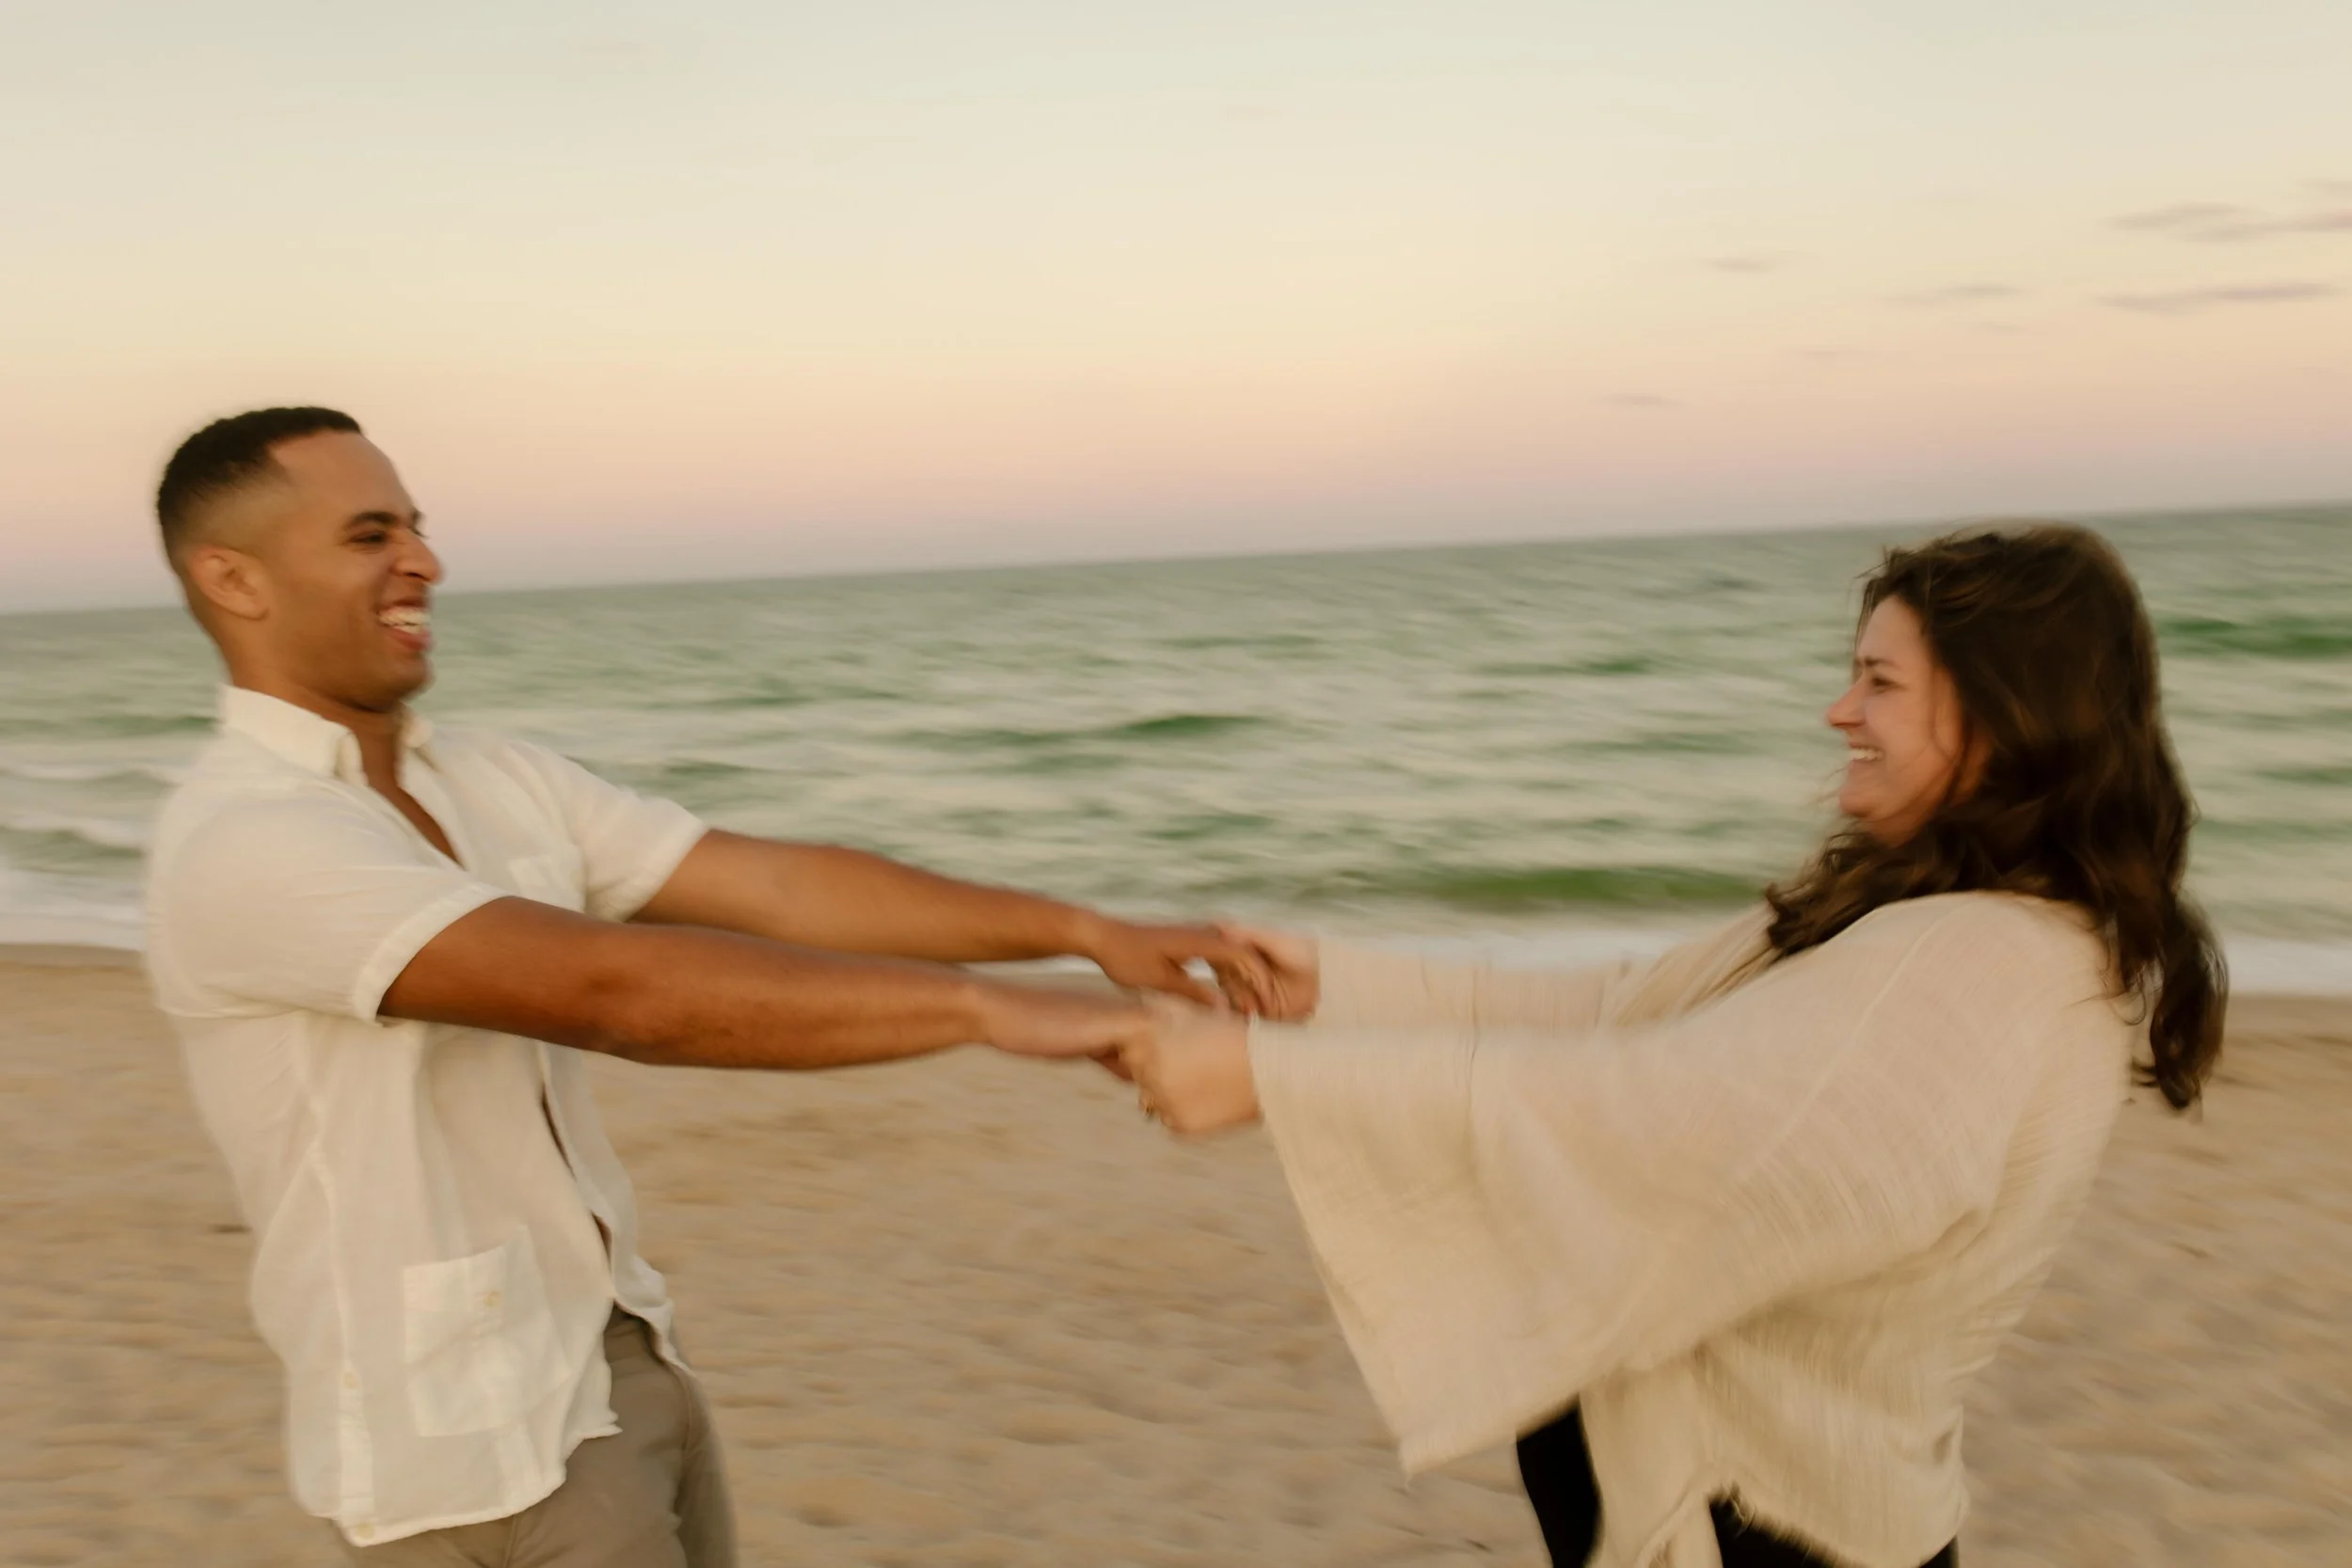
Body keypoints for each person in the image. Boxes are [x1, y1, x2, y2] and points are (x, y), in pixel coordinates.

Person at [140, 406, 1267, 1566]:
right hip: (473, 1447)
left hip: (621, 1357)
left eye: (417, 528)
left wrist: (1083, 931)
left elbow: (777, 885)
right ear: (235, 578)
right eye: (369, 533)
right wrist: (983, 1006)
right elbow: (617, 993)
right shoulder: (249, 838)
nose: (422, 560)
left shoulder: (493, 775)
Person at [1123, 525, 2225, 1568]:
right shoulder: (1923, 912)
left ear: (2003, 714)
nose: (1841, 710)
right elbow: (1626, 1015)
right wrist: (1339, 991)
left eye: (1881, 682)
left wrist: (1275, 1080)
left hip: (1780, 1535)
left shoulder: (1986, 965)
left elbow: (1671, 1122)